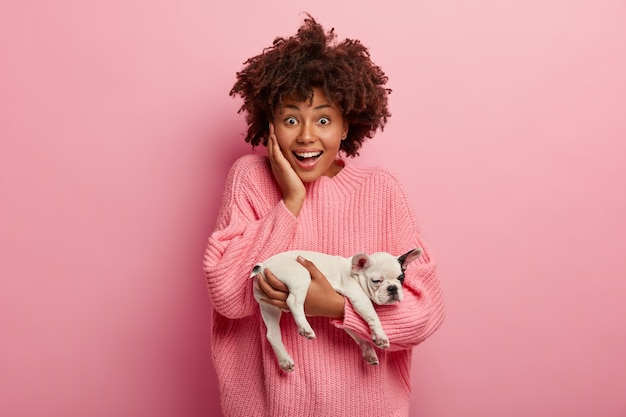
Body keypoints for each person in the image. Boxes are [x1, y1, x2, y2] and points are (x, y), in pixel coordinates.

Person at [203, 14, 445, 417]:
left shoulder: (380, 190)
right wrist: (291, 200)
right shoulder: (249, 179)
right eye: (291, 118)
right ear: (270, 125)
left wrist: (335, 305)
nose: (307, 136)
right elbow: (229, 297)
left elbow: (424, 314)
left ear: (347, 124)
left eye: (324, 119)